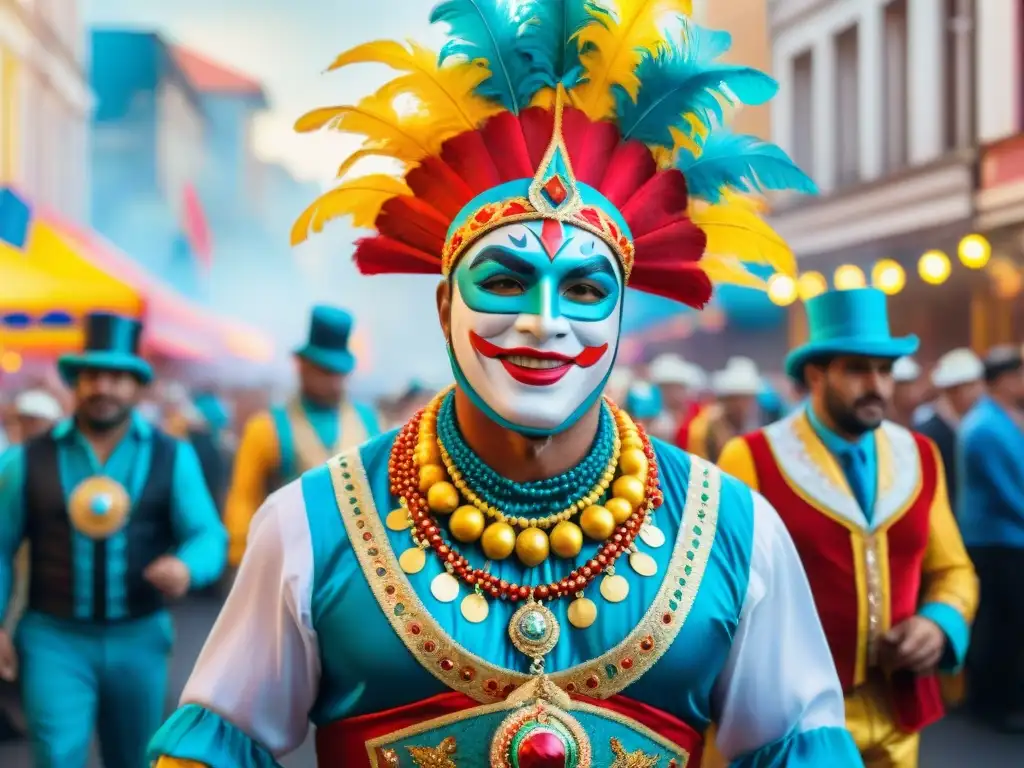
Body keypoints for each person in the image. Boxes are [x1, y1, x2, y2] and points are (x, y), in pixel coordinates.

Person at [148, 4, 858, 766]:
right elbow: (218, 746)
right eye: (506, 281)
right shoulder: (309, 527)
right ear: (446, 302)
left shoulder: (736, 532)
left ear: (620, 313)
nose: (543, 323)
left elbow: (797, 748)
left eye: (585, 291)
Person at [716, 288, 978, 767]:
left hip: (898, 710)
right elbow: (724, 594)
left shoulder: (920, 455)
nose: (878, 385)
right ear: (816, 374)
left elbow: (954, 570)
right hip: (796, 720)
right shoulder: (752, 457)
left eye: (885, 370)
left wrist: (938, 624)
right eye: (858, 369)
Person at [0, 312, 228, 768]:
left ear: (137, 386)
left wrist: (187, 566)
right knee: (57, 753)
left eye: (117, 377)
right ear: (76, 382)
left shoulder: (173, 454)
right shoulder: (25, 459)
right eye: (92, 375)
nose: (103, 387)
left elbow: (208, 535)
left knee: (135, 758)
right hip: (53, 639)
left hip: (139, 638)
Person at [223, 304, 380, 566]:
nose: (333, 382)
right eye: (325, 371)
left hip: (355, 564)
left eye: (340, 373)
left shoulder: (368, 423)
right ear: (303, 367)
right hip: (287, 560)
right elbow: (243, 498)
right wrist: (242, 557)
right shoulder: (267, 427)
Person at [958, 345, 1024, 732]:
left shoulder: (997, 419)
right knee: (998, 626)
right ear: (1002, 380)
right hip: (997, 543)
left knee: (1005, 626)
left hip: (1007, 539)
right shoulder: (984, 426)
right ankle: (990, 704)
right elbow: (1010, 491)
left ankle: (1000, 699)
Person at [916, 348, 985, 516]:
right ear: (951, 391)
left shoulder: (977, 425)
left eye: (977, 385)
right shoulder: (929, 432)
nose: (977, 393)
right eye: (969, 387)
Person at [688, 357, 766, 461]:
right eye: (735, 398)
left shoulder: (755, 424)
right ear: (724, 399)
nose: (740, 404)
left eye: (746, 398)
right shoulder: (704, 428)